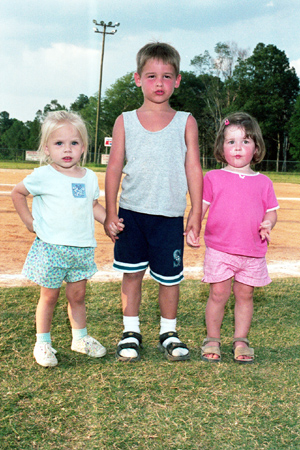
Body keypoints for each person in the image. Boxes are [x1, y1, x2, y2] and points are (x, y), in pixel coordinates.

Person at [104, 42, 203, 362]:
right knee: (131, 274)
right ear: (137, 79)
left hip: (169, 216)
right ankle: (130, 331)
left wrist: (195, 211)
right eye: (151, 76)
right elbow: (114, 168)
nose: (158, 83)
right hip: (132, 213)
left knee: (169, 279)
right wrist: (109, 213)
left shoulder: (186, 121)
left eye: (166, 76)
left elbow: (193, 167)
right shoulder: (125, 120)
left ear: (177, 80)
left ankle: (168, 331)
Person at [11, 110, 123, 367]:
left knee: (78, 296)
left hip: (81, 249)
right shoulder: (43, 175)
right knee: (48, 297)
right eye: (59, 143)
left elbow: (92, 205)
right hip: (51, 249)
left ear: (83, 147)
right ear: (47, 148)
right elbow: (17, 193)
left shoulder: (90, 177)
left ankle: (80, 339)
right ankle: (43, 343)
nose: (67, 149)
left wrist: (108, 221)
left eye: (73, 143)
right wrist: (29, 222)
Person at [201, 112, 279, 364]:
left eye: (245, 141)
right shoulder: (213, 177)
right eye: (231, 141)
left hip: (252, 251)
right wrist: (191, 226)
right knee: (218, 294)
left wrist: (268, 222)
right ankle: (212, 338)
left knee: (245, 295)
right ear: (221, 147)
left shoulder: (264, 182)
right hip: (220, 249)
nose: (238, 147)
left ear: (256, 147)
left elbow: (271, 211)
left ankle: (241, 340)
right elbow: (201, 208)